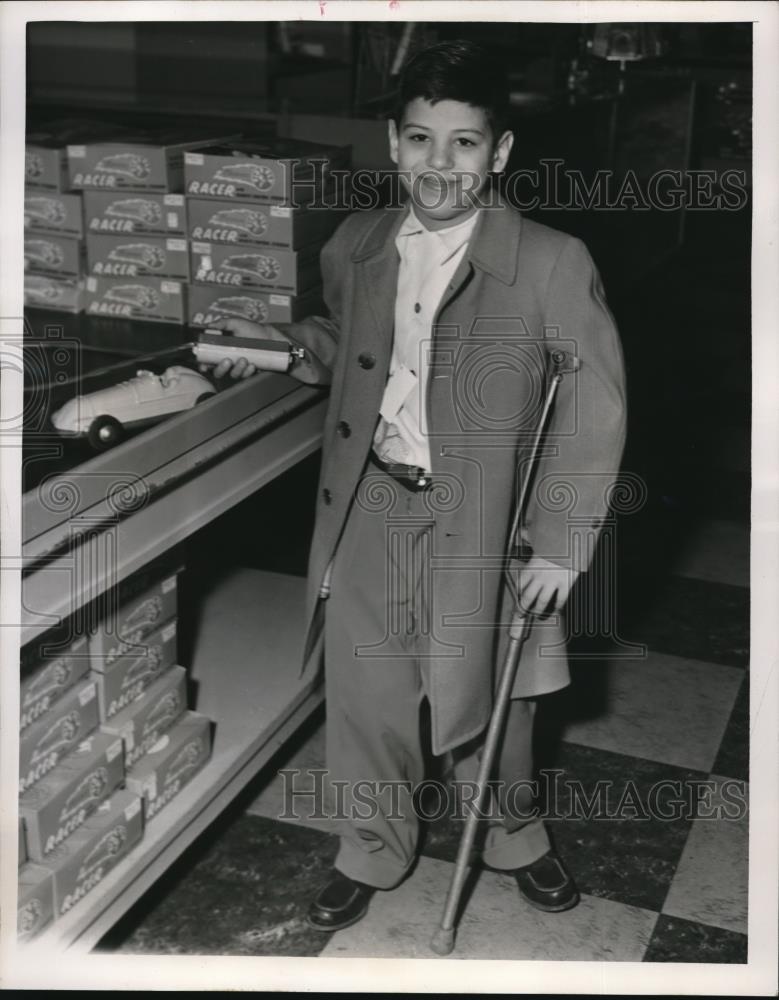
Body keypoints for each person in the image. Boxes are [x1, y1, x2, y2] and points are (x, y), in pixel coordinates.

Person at [212, 39, 626, 932]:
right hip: (373, 499)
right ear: (393, 145)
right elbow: (346, 341)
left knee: (491, 697)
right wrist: (288, 343)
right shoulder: (358, 242)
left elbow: (594, 405)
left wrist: (562, 542)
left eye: (465, 143)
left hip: (487, 518)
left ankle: (512, 834)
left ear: (500, 152)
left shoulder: (551, 260)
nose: (440, 164)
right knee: (368, 690)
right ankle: (369, 844)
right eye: (420, 140)